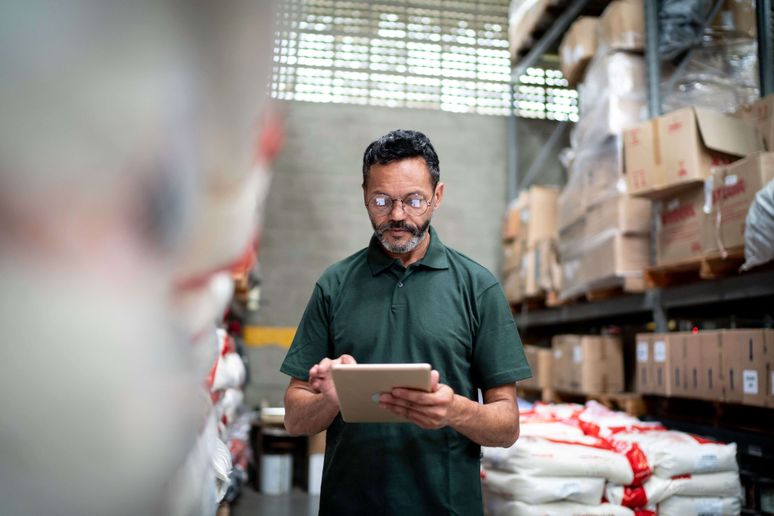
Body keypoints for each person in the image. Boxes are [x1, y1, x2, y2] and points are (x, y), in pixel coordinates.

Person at [281, 129, 531, 515]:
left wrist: (454, 411)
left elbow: (507, 424)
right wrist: (332, 397)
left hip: (445, 506)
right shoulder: (334, 285)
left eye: (413, 200)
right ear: (364, 195)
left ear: (437, 197)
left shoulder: (477, 287)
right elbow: (296, 419)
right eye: (382, 200)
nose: (397, 215)